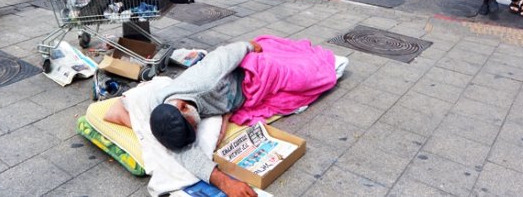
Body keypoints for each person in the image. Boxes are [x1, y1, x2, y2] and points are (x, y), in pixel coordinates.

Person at [102, 39, 345, 197]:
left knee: (306, 77)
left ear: (185, 107)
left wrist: (249, 46)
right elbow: (184, 151)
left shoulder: (205, 81)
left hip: (247, 74)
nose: (196, 131)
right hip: (234, 97)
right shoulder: (162, 112)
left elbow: (225, 54)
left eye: (192, 127)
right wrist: (223, 182)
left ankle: (319, 62)